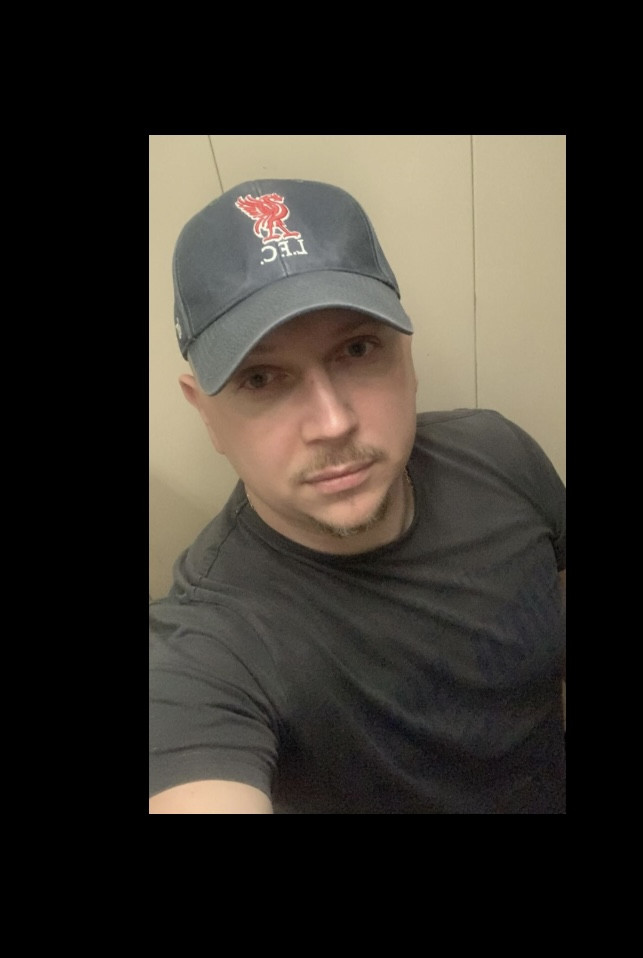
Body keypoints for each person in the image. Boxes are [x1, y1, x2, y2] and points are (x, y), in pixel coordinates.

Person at [149, 178, 566, 814]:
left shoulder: (498, 454)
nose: (333, 422)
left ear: (407, 355)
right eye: (260, 378)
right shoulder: (207, 644)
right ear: (205, 412)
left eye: (357, 349)